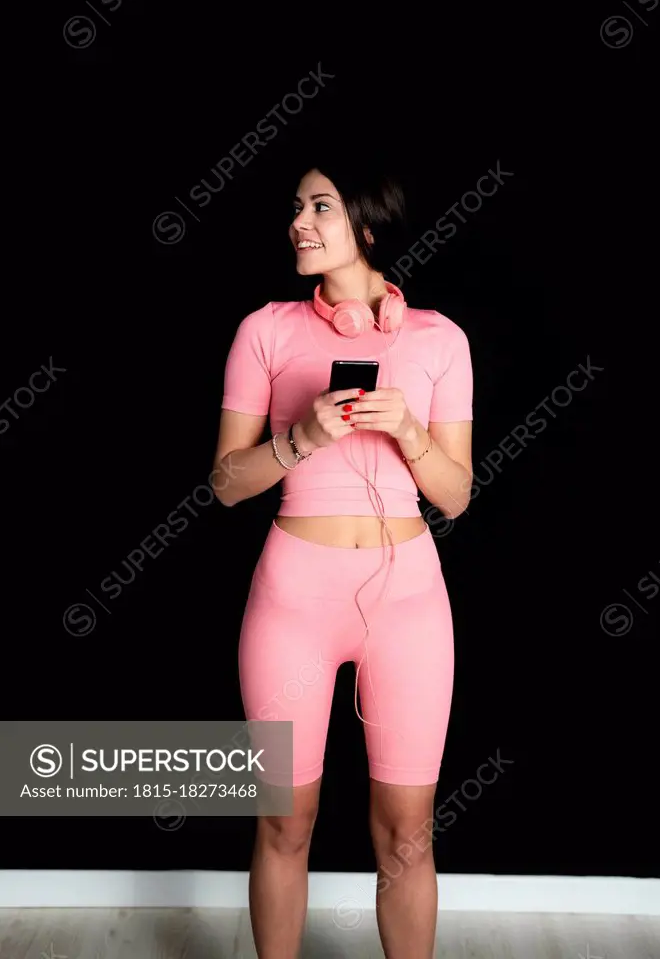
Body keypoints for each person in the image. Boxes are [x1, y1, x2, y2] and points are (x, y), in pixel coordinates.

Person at [212, 156, 473, 959]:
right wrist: (301, 439)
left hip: (410, 603)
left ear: (365, 224)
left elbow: (456, 494)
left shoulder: (440, 341)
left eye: (318, 207)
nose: (298, 221)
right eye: (296, 206)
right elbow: (224, 483)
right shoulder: (264, 330)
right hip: (294, 599)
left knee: (406, 835)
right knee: (284, 822)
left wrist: (408, 433)